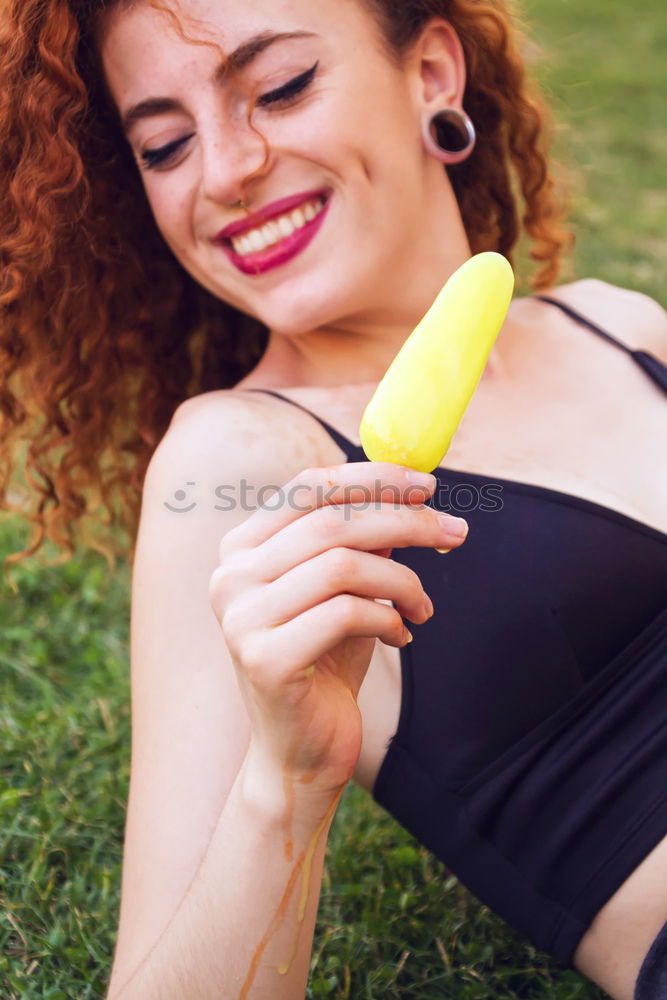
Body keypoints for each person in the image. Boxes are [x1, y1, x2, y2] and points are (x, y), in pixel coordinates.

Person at [1, 0, 666, 997]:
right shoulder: (240, 464)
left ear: (433, 73)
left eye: (280, 88)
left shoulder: (615, 323)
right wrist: (284, 784)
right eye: (166, 144)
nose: (224, 171)